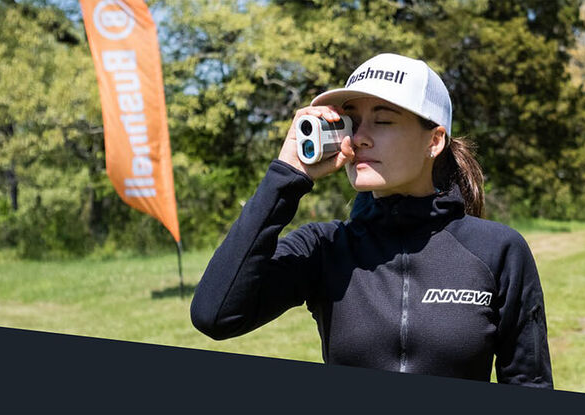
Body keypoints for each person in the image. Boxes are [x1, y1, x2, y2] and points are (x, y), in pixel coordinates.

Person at [190, 53, 553, 388]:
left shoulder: (497, 250)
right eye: (353, 122)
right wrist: (287, 175)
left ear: (435, 140)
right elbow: (216, 315)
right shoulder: (326, 248)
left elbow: (529, 383)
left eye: (382, 120)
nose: (359, 139)